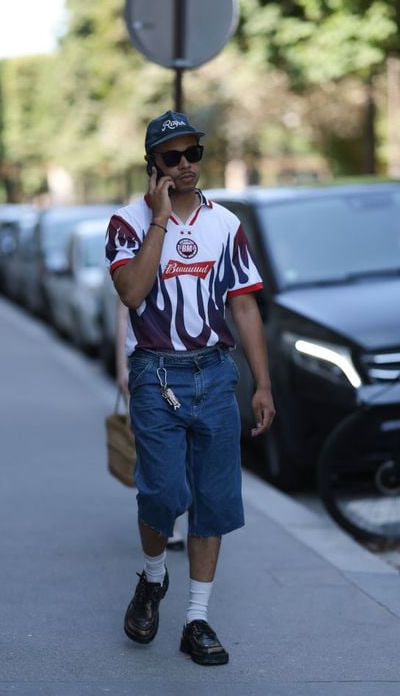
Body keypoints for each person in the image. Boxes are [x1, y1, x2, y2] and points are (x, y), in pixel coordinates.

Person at [105, 110, 275, 666]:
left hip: (215, 371)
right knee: (162, 495)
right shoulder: (126, 224)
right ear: (151, 164)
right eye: (172, 157)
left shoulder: (224, 224)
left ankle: (196, 618)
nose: (185, 167)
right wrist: (158, 221)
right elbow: (132, 292)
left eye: (192, 154)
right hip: (156, 375)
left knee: (215, 500)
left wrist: (261, 384)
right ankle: (153, 579)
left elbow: (244, 304)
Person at [115, 298, 185, 551]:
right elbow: (123, 314)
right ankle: (167, 522)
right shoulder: (136, 259)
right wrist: (122, 366)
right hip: (147, 366)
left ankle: (173, 517)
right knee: (159, 449)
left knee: (184, 446)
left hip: (188, 363)